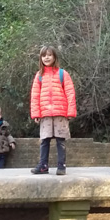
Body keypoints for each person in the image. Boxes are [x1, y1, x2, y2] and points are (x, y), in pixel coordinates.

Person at [30, 46, 76, 175]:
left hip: (60, 113)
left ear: (54, 57)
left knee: (60, 140)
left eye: (49, 55)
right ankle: (43, 165)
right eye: (44, 55)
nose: (46, 57)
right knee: (45, 140)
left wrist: (70, 111)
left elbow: (70, 93)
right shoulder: (39, 76)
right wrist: (36, 113)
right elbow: (35, 96)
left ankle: (61, 166)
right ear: (41, 58)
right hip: (45, 113)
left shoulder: (63, 74)